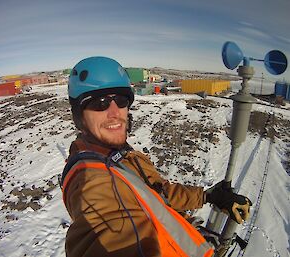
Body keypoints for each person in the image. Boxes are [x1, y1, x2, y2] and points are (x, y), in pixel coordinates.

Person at [61, 56, 251, 257]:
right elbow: (107, 232)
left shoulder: (121, 156)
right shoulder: (92, 180)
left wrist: (208, 196)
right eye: (100, 103)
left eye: (121, 100)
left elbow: (159, 194)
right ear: (79, 117)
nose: (114, 112)